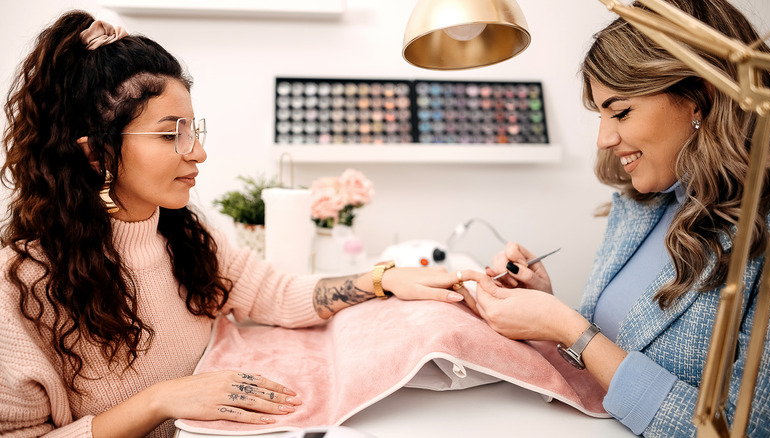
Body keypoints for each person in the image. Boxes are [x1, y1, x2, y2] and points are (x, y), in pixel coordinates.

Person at [0, 11, 471, 437]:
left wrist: (383, 279)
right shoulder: (20, 284)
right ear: (95, 152)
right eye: (170, 134)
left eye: (192, 130)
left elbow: (277, 294)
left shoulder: (183, 237)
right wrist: (159, 401)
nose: (198, 152)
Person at [464, 0, 770, 436]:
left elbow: (750, 428)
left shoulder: (767, 238)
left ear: (701, 98)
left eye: (621, 111)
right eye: (601, 115)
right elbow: (617, 345)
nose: (604, 139)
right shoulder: (643, 205)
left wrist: (567, 327)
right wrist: (547, 306)